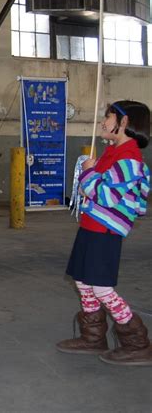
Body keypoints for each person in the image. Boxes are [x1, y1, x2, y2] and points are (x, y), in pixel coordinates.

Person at [56, 100, 151, 365]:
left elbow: (106, 195)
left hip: (105, 229)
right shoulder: (114, 152)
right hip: (92, 225)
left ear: (124, 123)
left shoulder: (129, 158)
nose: (102, 122)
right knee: (83, 280)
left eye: (107, 117)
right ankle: (93, 337)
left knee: (101, 287)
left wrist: (88, 173)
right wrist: (93, 168)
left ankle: (137, 342)